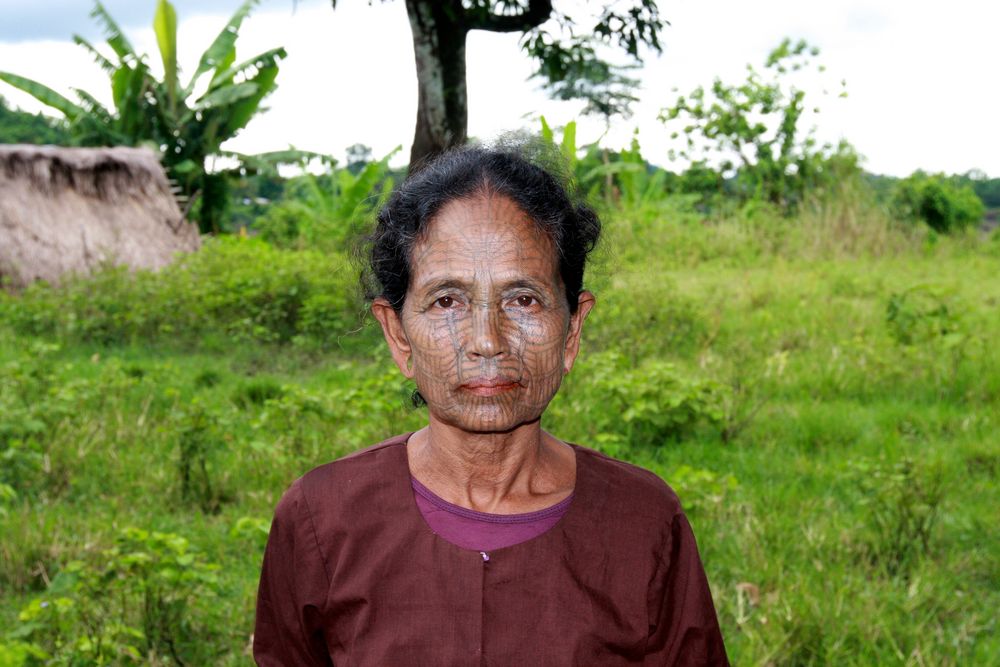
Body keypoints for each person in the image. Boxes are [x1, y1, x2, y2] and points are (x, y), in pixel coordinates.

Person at [253, 145, 729, 666]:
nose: (486, 340)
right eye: (447, 301)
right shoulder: (319, 519)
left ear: (572, 329)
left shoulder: (644, 523)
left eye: (522, 299)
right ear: (398, 336)